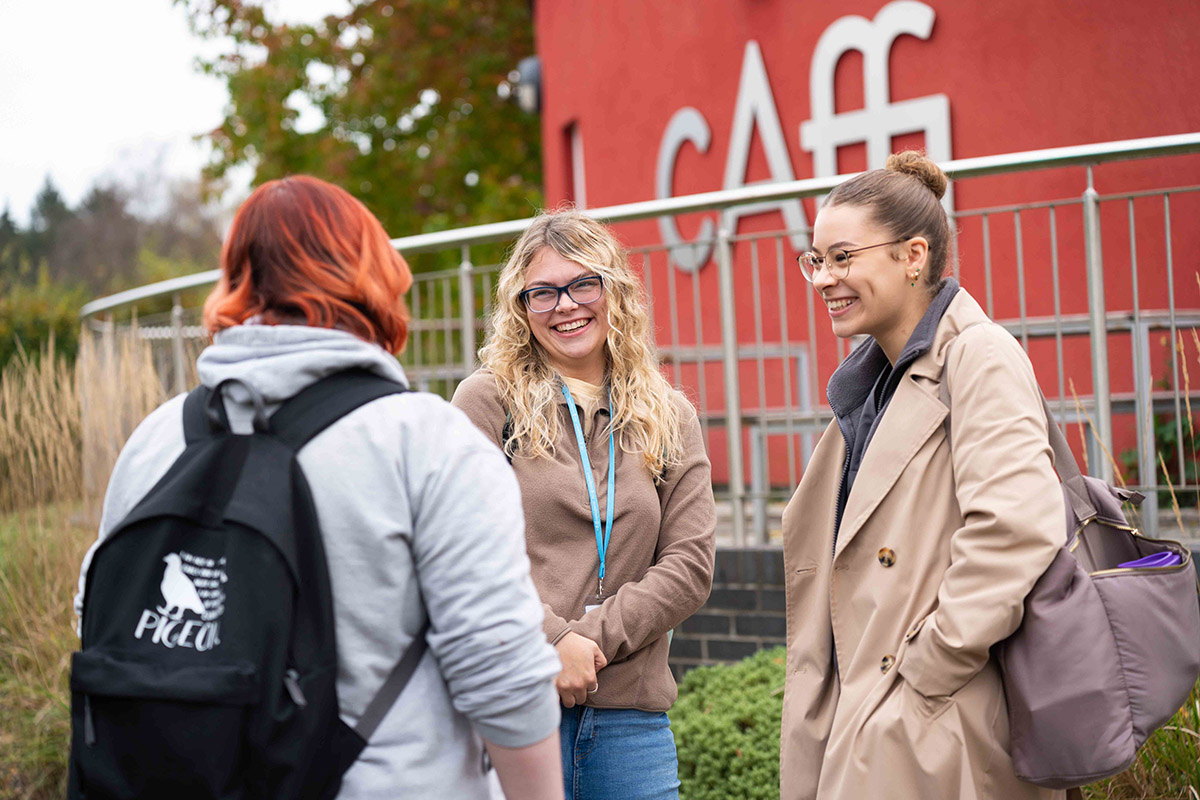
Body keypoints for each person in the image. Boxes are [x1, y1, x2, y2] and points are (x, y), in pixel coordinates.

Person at [74, 175, 564, 800]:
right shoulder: (426, 440)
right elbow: (503, 674)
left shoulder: (155, 439)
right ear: (373, 276)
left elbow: (99, 616)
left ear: (237, 279)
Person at [779, 152, 1065, 800]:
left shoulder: (978, 356)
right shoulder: (874, 382)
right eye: (815, 260)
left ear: (914, 256)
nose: (823, 278)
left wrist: (924, 675)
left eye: (843, 257)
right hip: (873, 716)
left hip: (935, 729)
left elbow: (1016, 529)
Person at [452, 209, 716, 800]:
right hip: (514, 708)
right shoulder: (487, 402)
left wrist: (587, 643)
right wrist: (548, 640)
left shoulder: (668, 415)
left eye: (582, 284)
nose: (565, 305)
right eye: (542, 292)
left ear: (612, 290)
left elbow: (689, 566)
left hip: (630, 722)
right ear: (521, 308)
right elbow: (459, 551)